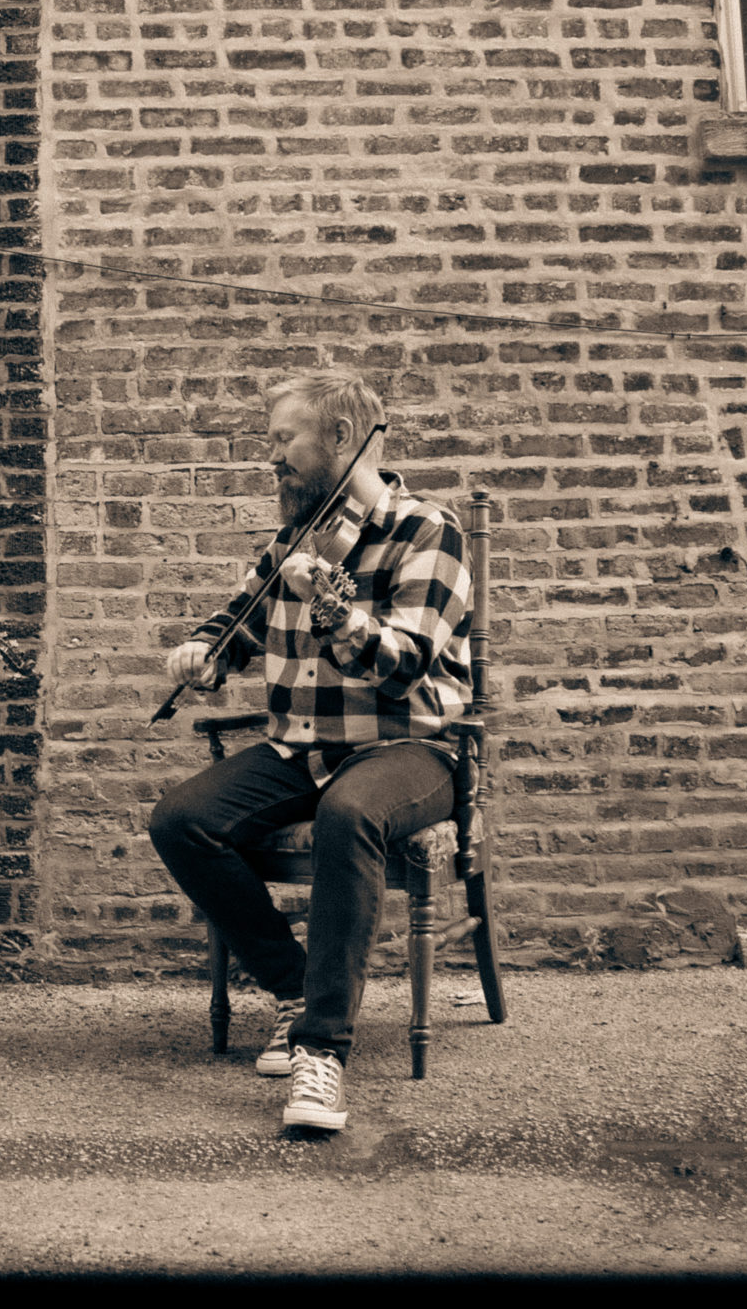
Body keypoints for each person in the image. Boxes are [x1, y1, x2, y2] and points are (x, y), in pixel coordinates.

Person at [148, 373, 474, 1133]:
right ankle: (294, 989)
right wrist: (202, 654)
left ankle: (321, 1050)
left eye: (282, 439)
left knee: (348, 813)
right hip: (302, 748)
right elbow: (236, 623)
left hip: (409, 747)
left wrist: (331, 608)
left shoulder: (429, 530)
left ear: (340, 437)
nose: (271, 456)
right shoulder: (292, 538)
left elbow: (405, 664)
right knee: (180, 820)